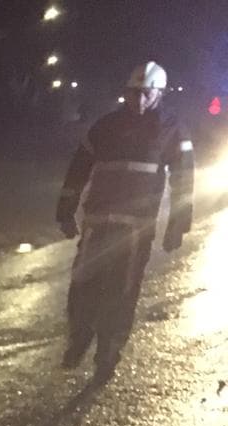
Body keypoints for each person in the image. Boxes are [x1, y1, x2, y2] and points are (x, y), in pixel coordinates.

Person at [56, 61, 195, 381]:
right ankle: (79, 338)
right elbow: (78, 168)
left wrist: (177, 224)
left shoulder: (171, 129)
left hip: (136, 228)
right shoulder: (106, 126)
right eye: (134, 93)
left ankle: (108, 355)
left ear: (159, 93)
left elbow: (184, 179)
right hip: (98, 222)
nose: (139, 100)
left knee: (122, 292)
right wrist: (65, 210)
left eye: (146, 93)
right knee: (82, 284)